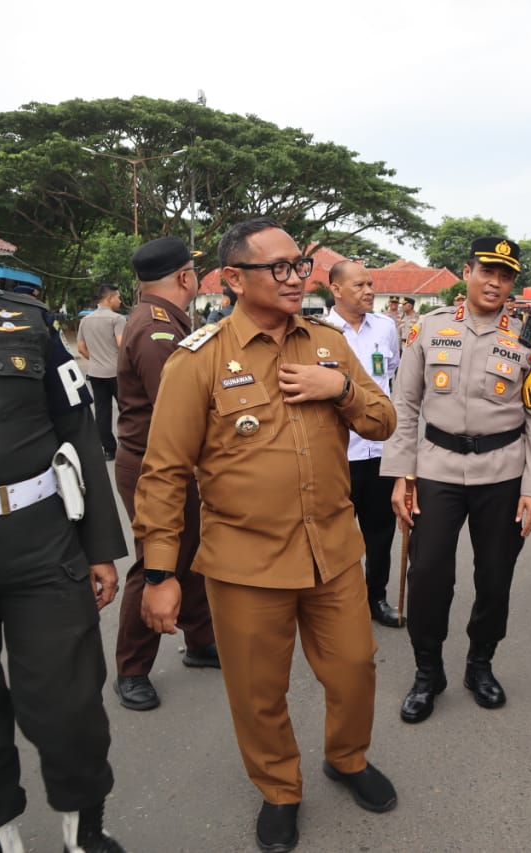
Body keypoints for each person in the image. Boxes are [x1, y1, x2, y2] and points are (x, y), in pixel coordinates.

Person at [134, 218, 399, 853]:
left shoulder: (330, 344)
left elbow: (385, 420)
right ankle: (279, 788)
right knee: (258, 692)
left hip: (332, 552)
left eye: (299, 264)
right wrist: (161, 573)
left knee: (356, 670)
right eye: (277, 267)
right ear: (233, 279)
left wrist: (339, 389)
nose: (296, 277)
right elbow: (164, 472)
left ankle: (347, 758)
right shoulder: (197, 360)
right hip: (245, 562)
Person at [0, 169, 128, 853]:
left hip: (41, 541)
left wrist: (99, 546)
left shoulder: (29, 320)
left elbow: (78, 432)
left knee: (69, 697)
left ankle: (86, 828)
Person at [382, 236, 531, 724]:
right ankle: (427, 670)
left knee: (495, 576)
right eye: (487, 272)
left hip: (503, 473)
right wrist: (401, 473)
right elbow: (406, 403)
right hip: (435, 468)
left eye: (505, 276)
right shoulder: (428, 329)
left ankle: (480, 663)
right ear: (467, 272)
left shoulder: (527, 339)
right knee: (429, 573)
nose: (495, 283)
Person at [112, 237, 218, 713]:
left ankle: (199, 642)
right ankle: (132, 669)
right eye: (194, 271)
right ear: (184, 277)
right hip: (157, 465)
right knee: (154, 564)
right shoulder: (156, 330)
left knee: (191, 553)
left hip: (177, 462)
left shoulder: (167, 320)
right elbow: (176, 410)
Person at [326, 260, 403, 628]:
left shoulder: (386, 329)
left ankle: (377, 597)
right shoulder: (320, 332)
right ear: (336, 289)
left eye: (371, 284)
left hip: (380, 452)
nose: (369, 290)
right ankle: (337, 603)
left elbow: (389, 382)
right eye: (359, 285)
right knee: (337, 534)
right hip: (339, 453)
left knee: (381, 530)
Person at [75, 284, 126, 460]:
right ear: (109, 298)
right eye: (118, 297)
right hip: (116, 373)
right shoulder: (117, 319)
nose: (120, 301)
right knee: (126, 410)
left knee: (102, 412)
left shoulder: (85, 320)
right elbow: (122, 345)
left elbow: (81, 348)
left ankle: (109, 450)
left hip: (96, 373)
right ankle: (127, 444)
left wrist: (96, 358)